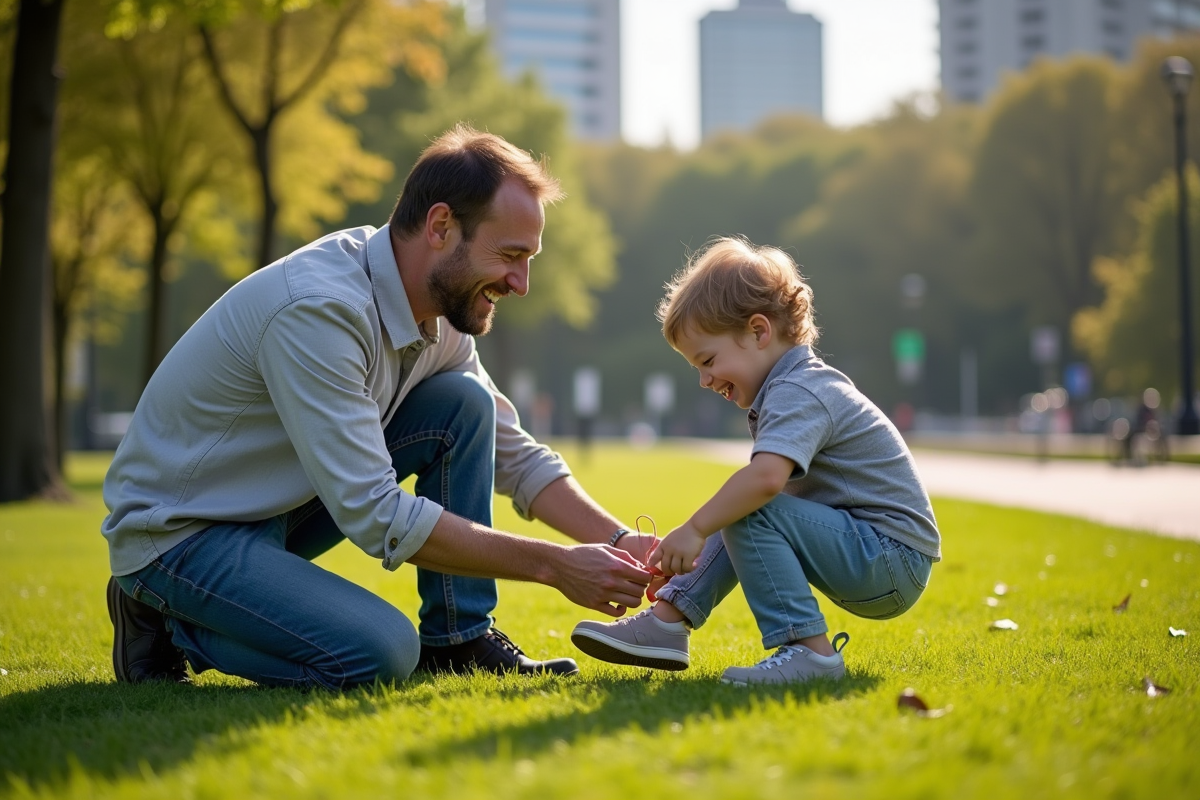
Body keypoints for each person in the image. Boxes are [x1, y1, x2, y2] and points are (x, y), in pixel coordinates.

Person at [103, 125, 656, 689]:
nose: (521, 282)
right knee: (381, 654)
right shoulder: (320, 312)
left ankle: (458, 640)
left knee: (463, 405)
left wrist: (618, 542)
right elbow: (376, 514)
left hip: (272, 510)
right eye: (510, 255)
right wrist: (553, 565)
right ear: (441, 226)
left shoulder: (441, 312)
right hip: (182, 533)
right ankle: (163, 618)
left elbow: (512, 455)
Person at [572, 237, 941, 685]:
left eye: (708, 360)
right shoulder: (788, 389)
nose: (705, 380)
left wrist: (693, 528)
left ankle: (810, 654)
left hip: (889, 556)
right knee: (743, 503)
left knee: (750, 503)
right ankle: (668, 621)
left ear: (759, 332)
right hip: (873, 551)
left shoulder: (799, 391)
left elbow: (765, 481)